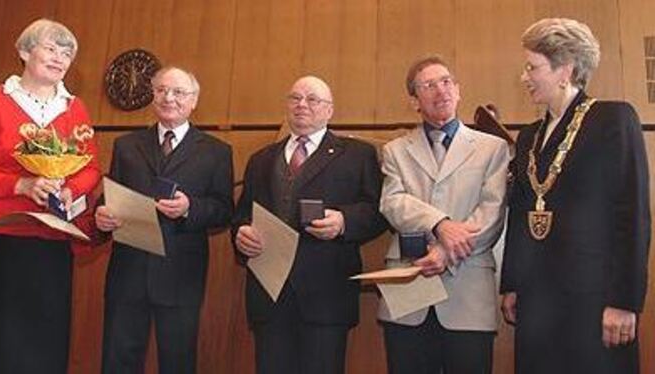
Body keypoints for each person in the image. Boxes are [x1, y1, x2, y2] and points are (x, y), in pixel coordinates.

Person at [500, 18, 651, 374]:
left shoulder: (613, 119)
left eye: (532, 67)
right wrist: (512, 285)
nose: (525, 77)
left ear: (564, 69)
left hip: (595, 300)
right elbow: (521, 215)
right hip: (537, 303)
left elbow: (633, 216)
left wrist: (624, 302)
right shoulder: (528, 138)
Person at [233, 75, 386, 374]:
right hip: (269, 295)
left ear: (330, 110)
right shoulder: (260, 160)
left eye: (312, 99)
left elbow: (378, 212)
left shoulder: (357, 155)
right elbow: (241, 215)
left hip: (326, 296)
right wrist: (241, 234)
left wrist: (344, 221)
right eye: (295, 98)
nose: (302, 104)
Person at [95, 66, 233, 374]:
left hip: (180, 275)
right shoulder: (127, 145)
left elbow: (224, 209)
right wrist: (101, 215)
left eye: (179, 92)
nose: (168, 98)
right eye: (161, 91)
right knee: (118, 360)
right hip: (128, 272)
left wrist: (189, 208)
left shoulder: (216, 151)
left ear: (194, 100)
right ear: (153, 96)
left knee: (178, 361)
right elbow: (109, 196)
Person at [379, 56, 510, 374]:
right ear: (414, 101)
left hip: (468, 292)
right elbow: (393, 203)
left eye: (447, 81)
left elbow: (492, 213)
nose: (441, 90)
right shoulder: (395, 150)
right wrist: (439, 224)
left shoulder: (493, 148)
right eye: (429, 85)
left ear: (459, 90)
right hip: (409, 291)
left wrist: (446, 250)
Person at [0, 18, 101, 373]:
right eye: (51, 48)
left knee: (47, 340)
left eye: (67, 53)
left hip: (52, 239)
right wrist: (19, 185)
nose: (59, 58)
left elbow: (91, 168)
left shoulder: (75, 108)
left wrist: (70, 189)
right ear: (24, 51)